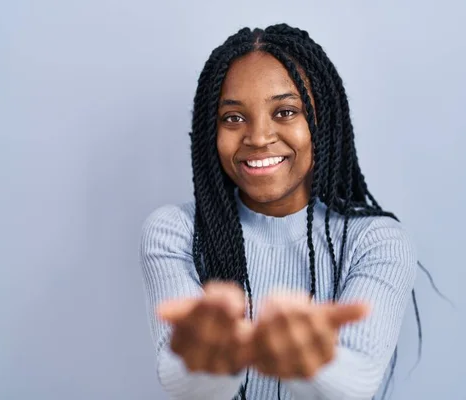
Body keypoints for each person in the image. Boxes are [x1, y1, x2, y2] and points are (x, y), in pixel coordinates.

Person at [140, 23, 422, 400]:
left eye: (285, 111)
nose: (258, 137)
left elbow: (357, 384)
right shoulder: (174, 232)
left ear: (321, 123)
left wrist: (303, 359)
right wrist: (212, 356)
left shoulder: (375, 241)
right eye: (233, 118)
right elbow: (183, 383)